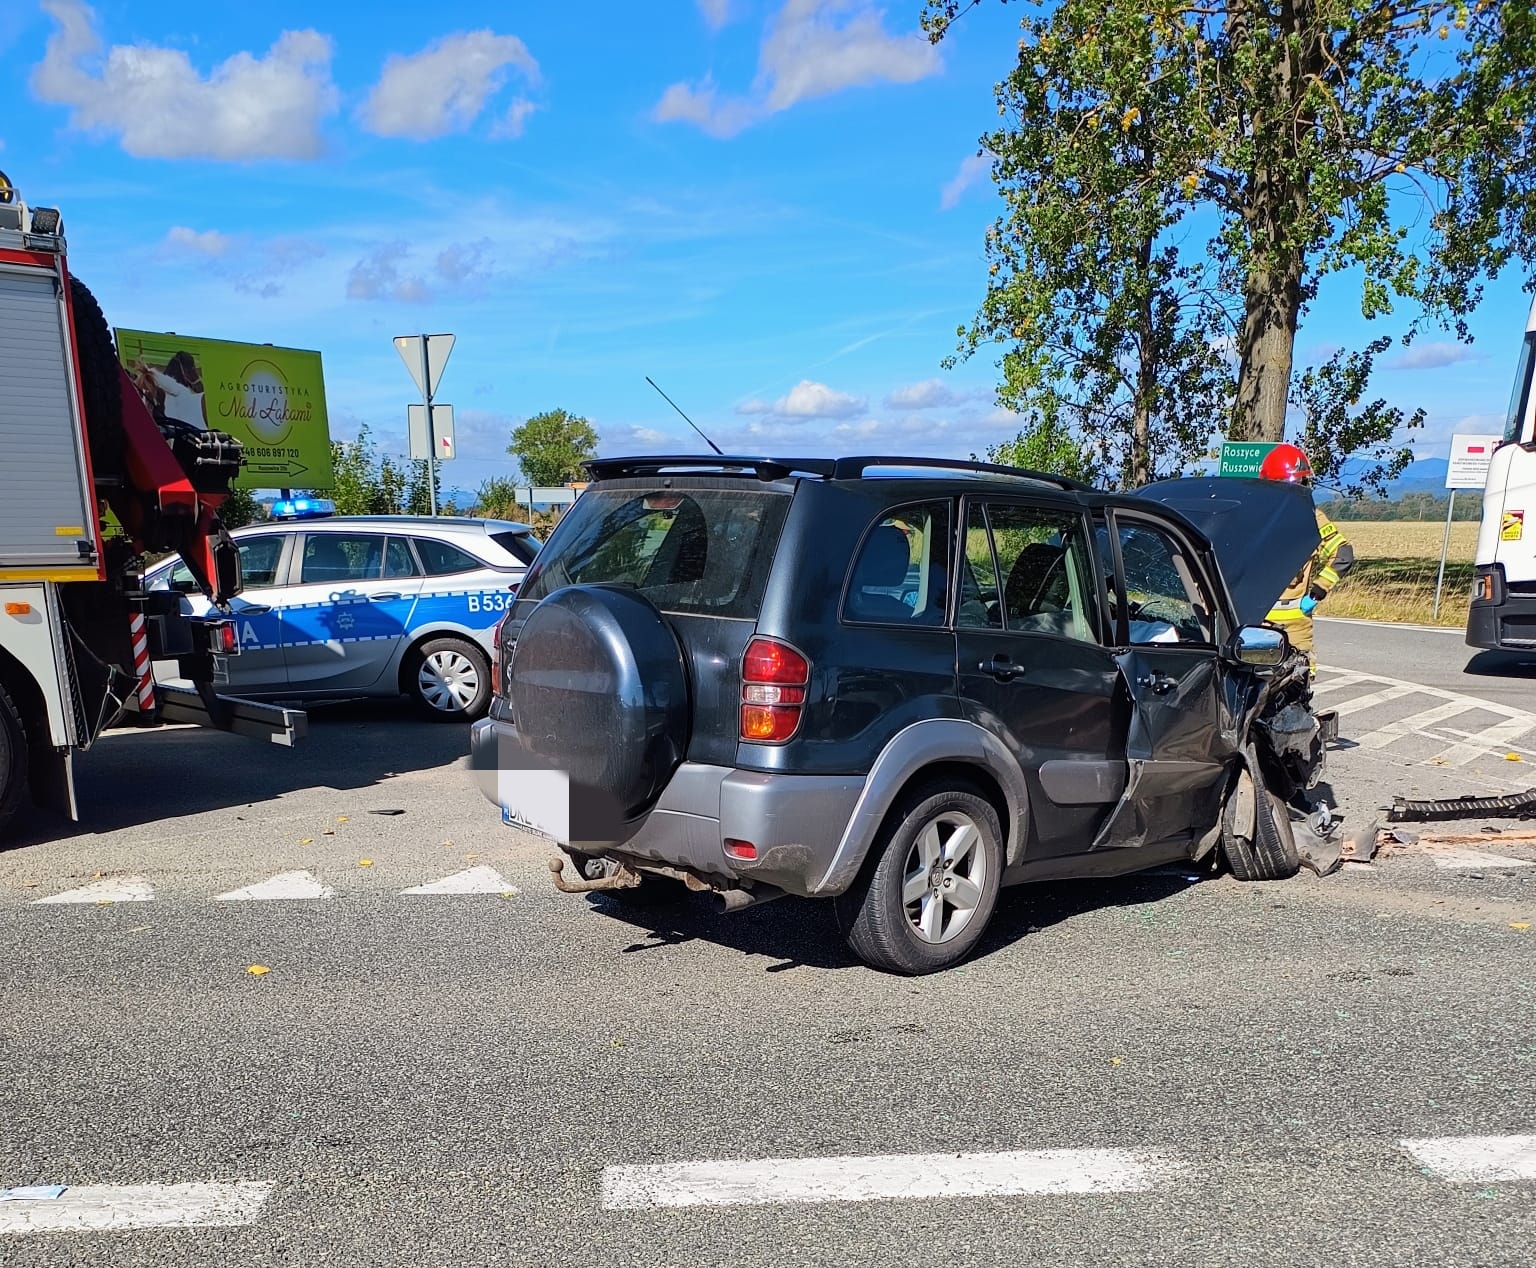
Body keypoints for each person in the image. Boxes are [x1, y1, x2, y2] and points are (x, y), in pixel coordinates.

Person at [1259, 442, 1353, 673]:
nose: (1297, 489)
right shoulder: (1257, 518)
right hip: (1259, 621)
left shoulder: (1311, 518)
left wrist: (1318, 590)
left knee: (1297, 685)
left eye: (1300, 483)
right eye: (1295, 483)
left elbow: (1343, 553)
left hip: (1280, 622)